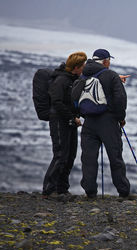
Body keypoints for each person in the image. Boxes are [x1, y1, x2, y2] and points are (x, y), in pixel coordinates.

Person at [79, 49, 131, 199]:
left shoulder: (83, 74)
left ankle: (90, 191)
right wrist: (120, 118)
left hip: (88, 122)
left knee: (88, 158)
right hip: (108, 121)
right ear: (106, 61)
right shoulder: (111, 75)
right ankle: (123, 191)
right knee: (115, 157)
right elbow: (120, 99)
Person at [42, 52, 87, 198]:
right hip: (59, 121)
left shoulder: (74, 79)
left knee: (70, 155)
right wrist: (71, 117)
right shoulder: (61, 80)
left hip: (70, 121)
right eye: (83, 66)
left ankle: (62, 188)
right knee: (60, 154)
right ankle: (49, 189)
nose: (84, 68)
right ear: (76, 67)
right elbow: (56, 102)